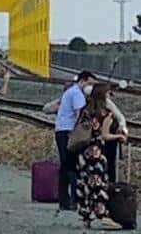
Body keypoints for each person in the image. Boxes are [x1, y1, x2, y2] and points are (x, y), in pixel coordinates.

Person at [75, 83, 125, 230]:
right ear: (104, 96)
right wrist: (118, 136)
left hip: (83, 153)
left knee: (85, 185)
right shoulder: (105, 114)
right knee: (98, 185)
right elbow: (104, 135)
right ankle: (104, 218)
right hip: (96, 154)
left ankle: (86, 218)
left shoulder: (86, 110)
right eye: (109, 94)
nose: (110, 97)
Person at [55, 70, 96, 211]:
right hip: (69, 132)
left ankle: (64, 200)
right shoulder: (77, 94)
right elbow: (80, 114)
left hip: (62, 129)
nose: (90, 87)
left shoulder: (70, 91)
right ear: (83, 81)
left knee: (65, 166)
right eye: (89, 83)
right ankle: (73, 199)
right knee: (72, 166)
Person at [103, 88, 128, 183]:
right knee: (108, 166)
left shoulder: (112, 113)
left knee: (110, 165)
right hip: (107, 144)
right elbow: (104, 134)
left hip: (111, 144)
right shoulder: (108, 115)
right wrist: (119, 136)